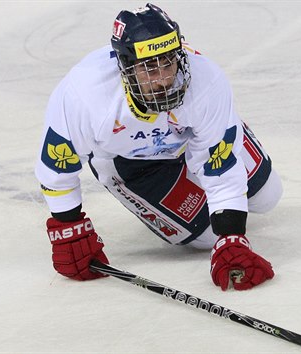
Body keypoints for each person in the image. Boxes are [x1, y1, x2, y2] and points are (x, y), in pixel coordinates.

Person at [35, 3, 282, 291]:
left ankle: (222, 138)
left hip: (189, 139)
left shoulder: (206, 80)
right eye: (149, 68)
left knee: (267, 197)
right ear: (125, 66)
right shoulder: (85, 95)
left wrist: (232, 237)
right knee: (206, 239)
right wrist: (68, 226)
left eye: (168, 62)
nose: (163, 79)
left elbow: (220, 166)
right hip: (133, 164)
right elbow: (57, 166)